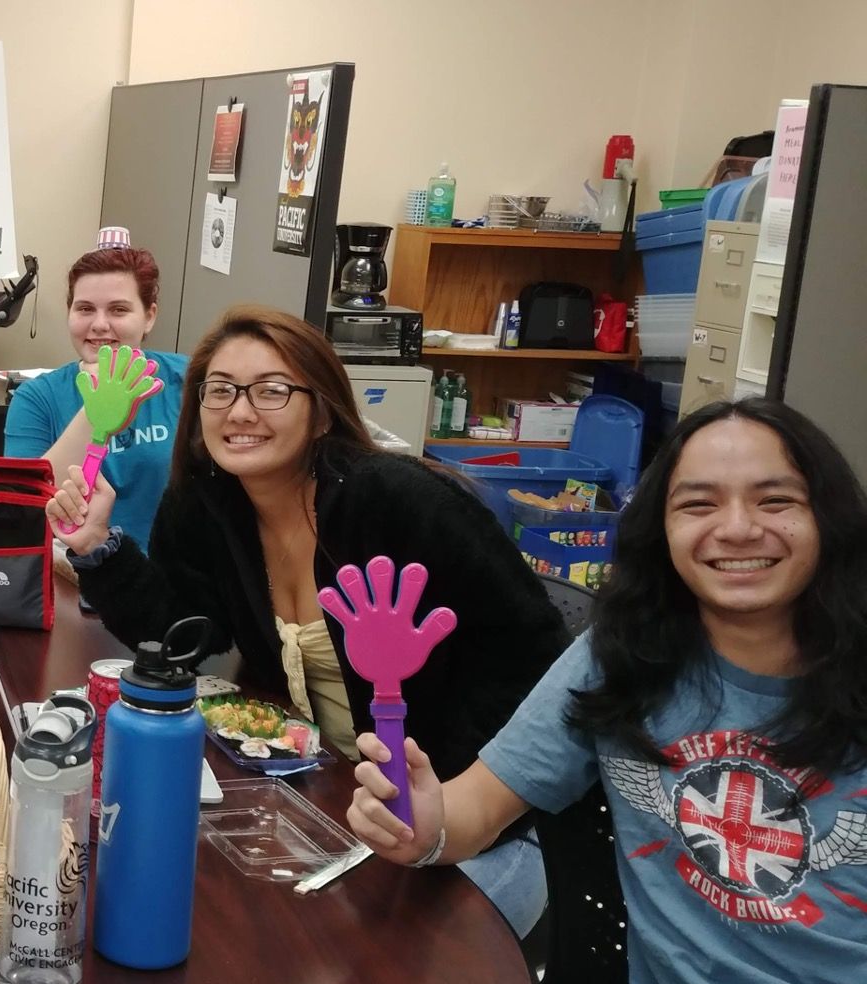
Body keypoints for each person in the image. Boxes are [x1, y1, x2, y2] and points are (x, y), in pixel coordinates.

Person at [348, 398, 867, 984]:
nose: (737, 529)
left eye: (775, 501)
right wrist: (421, 823)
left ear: (826, 516)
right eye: (698, 505)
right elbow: (469, 814)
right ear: (661, 529)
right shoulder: (621, 661)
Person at [48, 304, 567, 934]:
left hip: (467, 830)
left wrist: (443, 790)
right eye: (220, 391)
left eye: (271, 391)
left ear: (321, 410)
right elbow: (182, 631)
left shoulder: (398, 502)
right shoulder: (207, 505)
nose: (240, 412)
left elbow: (539, 657)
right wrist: (100, 549)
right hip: (324, 806)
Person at [4, 228, 186, 552]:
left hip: (169, 580)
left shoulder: (185, 380)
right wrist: (96, 405)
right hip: (72, 574)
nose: (99, 324)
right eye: (85, 309)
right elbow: (24, 509)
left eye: (118, 310)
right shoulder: (36, 398)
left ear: (149, 316)